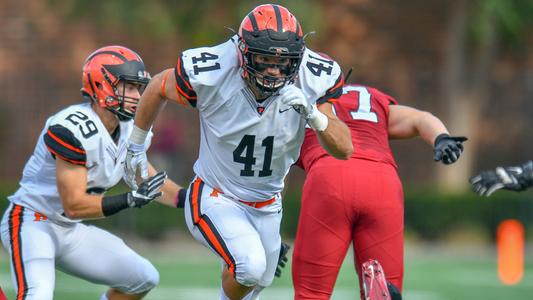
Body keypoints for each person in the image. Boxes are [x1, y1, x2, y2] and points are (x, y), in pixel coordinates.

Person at [123, 4, 353, 300]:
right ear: (244, 52)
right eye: (265, 59)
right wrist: (137, 146)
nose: (273, 70)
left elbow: (344, 148)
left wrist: (314, 115)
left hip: (269, 204)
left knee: (257, 282)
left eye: (282, 63)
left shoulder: (313, 77)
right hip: (216, 195)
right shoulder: (214, 71)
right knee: (249, 267)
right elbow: (157, 86)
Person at [0, 45, 183, 300]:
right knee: (37, 295)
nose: (138, 95)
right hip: (33, 221)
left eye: (139, 88)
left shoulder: (131, 129)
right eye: (129, 87)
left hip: (69, 229)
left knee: (143, 277)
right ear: (103, 85)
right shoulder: (71, 127)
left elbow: (144, 176)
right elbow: (74, 204)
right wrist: (129, 199)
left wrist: (188, 199)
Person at [292, 83, 467, 300]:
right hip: (382, 181)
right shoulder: (370, 97)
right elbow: (420, 118)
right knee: (382, 290)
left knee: (311, 293)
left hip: (329, 177)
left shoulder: (296, 96)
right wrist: (441, 137)